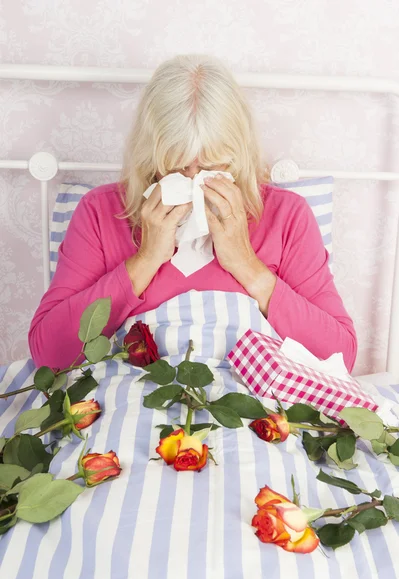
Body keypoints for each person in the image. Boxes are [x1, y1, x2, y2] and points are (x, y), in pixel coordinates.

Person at [28, 54, 357, 372]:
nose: (194, 178)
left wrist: (245, 263)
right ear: (150, 154)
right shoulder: (101, 211)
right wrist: (145, 260)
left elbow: (340, 357)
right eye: (177, 165)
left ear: (238, 153)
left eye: (213, 164)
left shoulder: (287, 216)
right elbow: (50, 352)